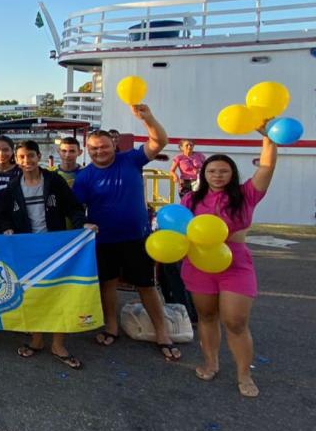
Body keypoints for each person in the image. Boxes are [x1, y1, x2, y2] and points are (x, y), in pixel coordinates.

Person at [72, 105, 181, 361]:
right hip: (103, 240)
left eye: (104, 146)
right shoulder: (84, 177)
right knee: (107, 285)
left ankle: (162, 332)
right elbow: (77, 208)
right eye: (94, 148)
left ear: (114, 144)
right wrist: (82, 224)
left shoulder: (131, 159)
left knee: (147, 286)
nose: (100, 151)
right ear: (88, 150)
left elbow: (160, 141)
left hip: (136, 238)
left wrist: (147, 118)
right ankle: (111, 327)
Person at [182, 136, 277, 398]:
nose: (218, 175)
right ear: (204, 173)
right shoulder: (190, 200)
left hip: (235, 264)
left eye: (224, 171)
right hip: (198, 263)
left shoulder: (246, 195)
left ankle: (244, 374)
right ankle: (211, 362)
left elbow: (267, 167)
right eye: (212, 171)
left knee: (236, 322)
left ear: (232, 173)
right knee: (207, 316)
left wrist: (269, 137)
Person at [0, 140, 90, 369]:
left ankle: (58, 344)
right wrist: (7, 228)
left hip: (55, 246)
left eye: (30, 156)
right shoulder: (12, 187)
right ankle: (37, 339)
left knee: (58, 294)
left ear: (39, 156)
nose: (26, 161)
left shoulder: (54, 181)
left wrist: (82, 226)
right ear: (16, 160)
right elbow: (4, 216)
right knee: (33, 295)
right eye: (21, 157)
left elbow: (74, 207)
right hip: (28, 248)